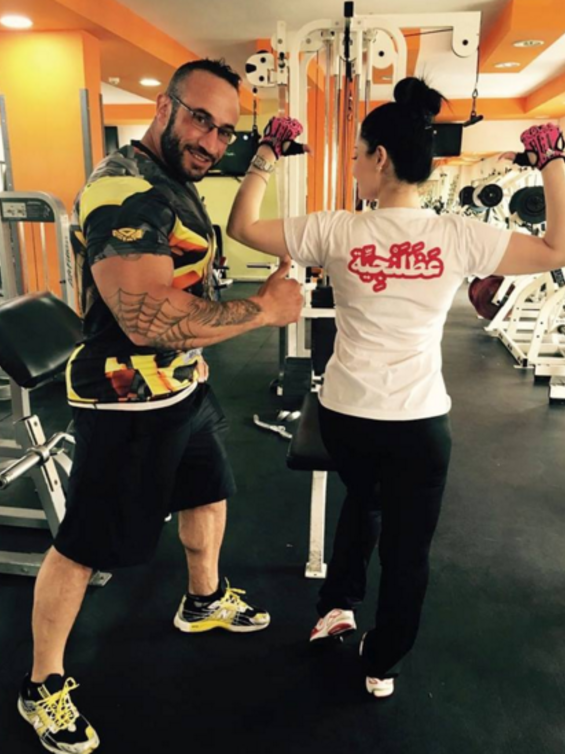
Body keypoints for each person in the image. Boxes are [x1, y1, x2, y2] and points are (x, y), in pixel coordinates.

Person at [227, 77, 565, 699]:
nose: (355, 166)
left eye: (357, 155)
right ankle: (381, 664)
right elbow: (556, 248)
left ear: (380, 158)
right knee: (408, 551)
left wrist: (267, 153)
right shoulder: (458, 235)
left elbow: (242, 226)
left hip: (346, 419)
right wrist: (552, 161)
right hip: (419, 425)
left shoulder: (337, 230)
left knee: (365, 497)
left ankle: (336, 605)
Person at [17, 58, 303, 754]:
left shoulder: (170, 176)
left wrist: (265, 156)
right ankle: (41, 684)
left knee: (208, 490)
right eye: (200, 119)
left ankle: (202, 598)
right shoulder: (126, 192)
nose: (211, 141)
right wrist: (264, 311)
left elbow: (180, 285)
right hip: (124, 401)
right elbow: (145, 318)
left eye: (225, 130)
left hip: (180, 383)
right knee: (84, 545)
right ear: (163, 106)